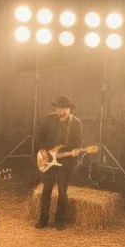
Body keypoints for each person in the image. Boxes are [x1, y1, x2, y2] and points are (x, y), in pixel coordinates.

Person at [36, 96, 84, 229]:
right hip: (48, 160)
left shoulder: (76, 123)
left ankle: (59, 221)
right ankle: (43, 219)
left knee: (62, 192)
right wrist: (44, 151)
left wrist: (76, 151)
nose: (60, 112)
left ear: (69, 109)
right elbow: (40, 136)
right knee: (46, 190)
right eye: (58, 108)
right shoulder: (49, 119)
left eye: (63, 109)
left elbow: (79, 144)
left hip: (66, 161)